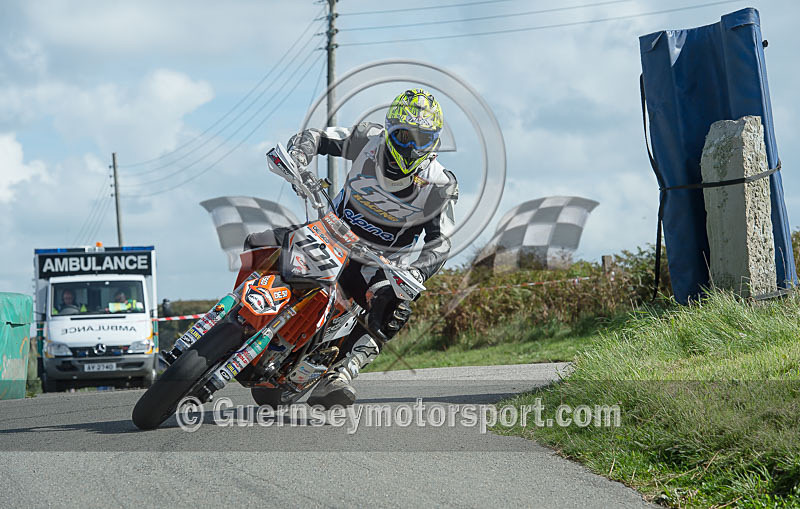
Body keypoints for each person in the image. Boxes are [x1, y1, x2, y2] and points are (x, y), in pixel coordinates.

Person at [248, 89, 458, 407]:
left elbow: (440, 241)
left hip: (376, 262)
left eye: (422, 139)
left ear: (435, 141)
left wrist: (417, 271)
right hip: (329, 232)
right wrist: (300, 158)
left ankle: (341, 373)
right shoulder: (368, 138)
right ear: (389, 130)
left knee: (396, 307)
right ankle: (229, 317)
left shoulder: (440, 183)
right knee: (260, 242)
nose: (412, 147)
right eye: (404, 136)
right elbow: (316, 137)